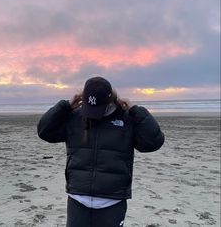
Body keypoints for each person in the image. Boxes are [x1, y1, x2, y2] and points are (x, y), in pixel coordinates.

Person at [37, 76, 165, 227]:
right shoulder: (74, 117)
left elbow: (153, 143)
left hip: (112, 201)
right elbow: (44, 131)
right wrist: (64, 106)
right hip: (77, 199)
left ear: (110, 101)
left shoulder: (126, 119)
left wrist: (136, 111)